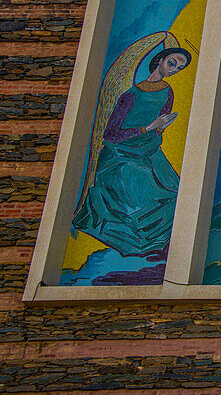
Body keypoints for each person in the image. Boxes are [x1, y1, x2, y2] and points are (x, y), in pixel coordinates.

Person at [72, 47, 191, 256]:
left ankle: (165, 243)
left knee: (176, 191)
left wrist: (162, 126)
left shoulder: (167, 92)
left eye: (179, 68)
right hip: (120, 155)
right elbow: (110, 134)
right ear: (160, 60)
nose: (174, 70)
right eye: (172, 63)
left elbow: (158, 127)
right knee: (142, 189)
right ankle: (140, 243)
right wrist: (148, 127)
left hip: (149, 151)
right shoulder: (131, 95)